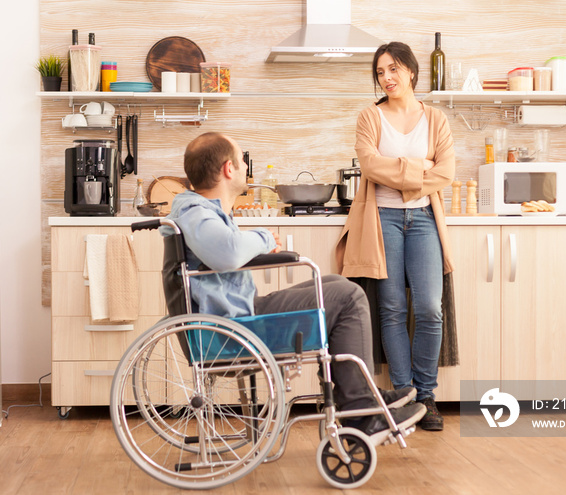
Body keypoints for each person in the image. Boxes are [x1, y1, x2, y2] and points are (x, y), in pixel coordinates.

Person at [162, 131, 426, 445]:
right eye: (242, 161)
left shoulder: (199, 212)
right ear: (228, 169)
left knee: (335, 285)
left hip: (236, 319)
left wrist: (255, 245)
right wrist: (262, 236)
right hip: (233, 331)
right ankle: (361, 410)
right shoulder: (196, 213)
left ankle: (360, 398)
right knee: (348, 296)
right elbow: (228, 252)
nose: (246, 167)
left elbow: (222, 253)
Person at [335, 42, 456, 431]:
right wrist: (419, 168)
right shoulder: (370, 117)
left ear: (411, 72)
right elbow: (369, 165)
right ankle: (403, 395)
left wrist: (399, 173)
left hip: (423, 219)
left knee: (429, 308)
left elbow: (447, 173)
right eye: (380, 72)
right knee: (391, 309)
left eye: (393, 69)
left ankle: (427, 395)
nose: (386, 78)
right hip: (381, 219)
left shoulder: (435, 119)